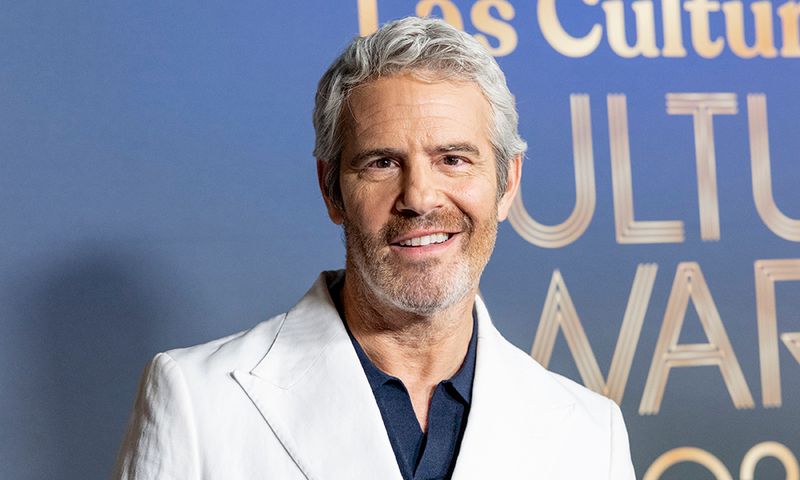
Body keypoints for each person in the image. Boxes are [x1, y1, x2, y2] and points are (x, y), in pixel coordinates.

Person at [114, 16, 635, 480]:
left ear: (507, 183)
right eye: (382, 162)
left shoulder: (591, 433)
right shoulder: (196, 402)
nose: (420, 198)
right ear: (331, 189)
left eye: (453, 159)